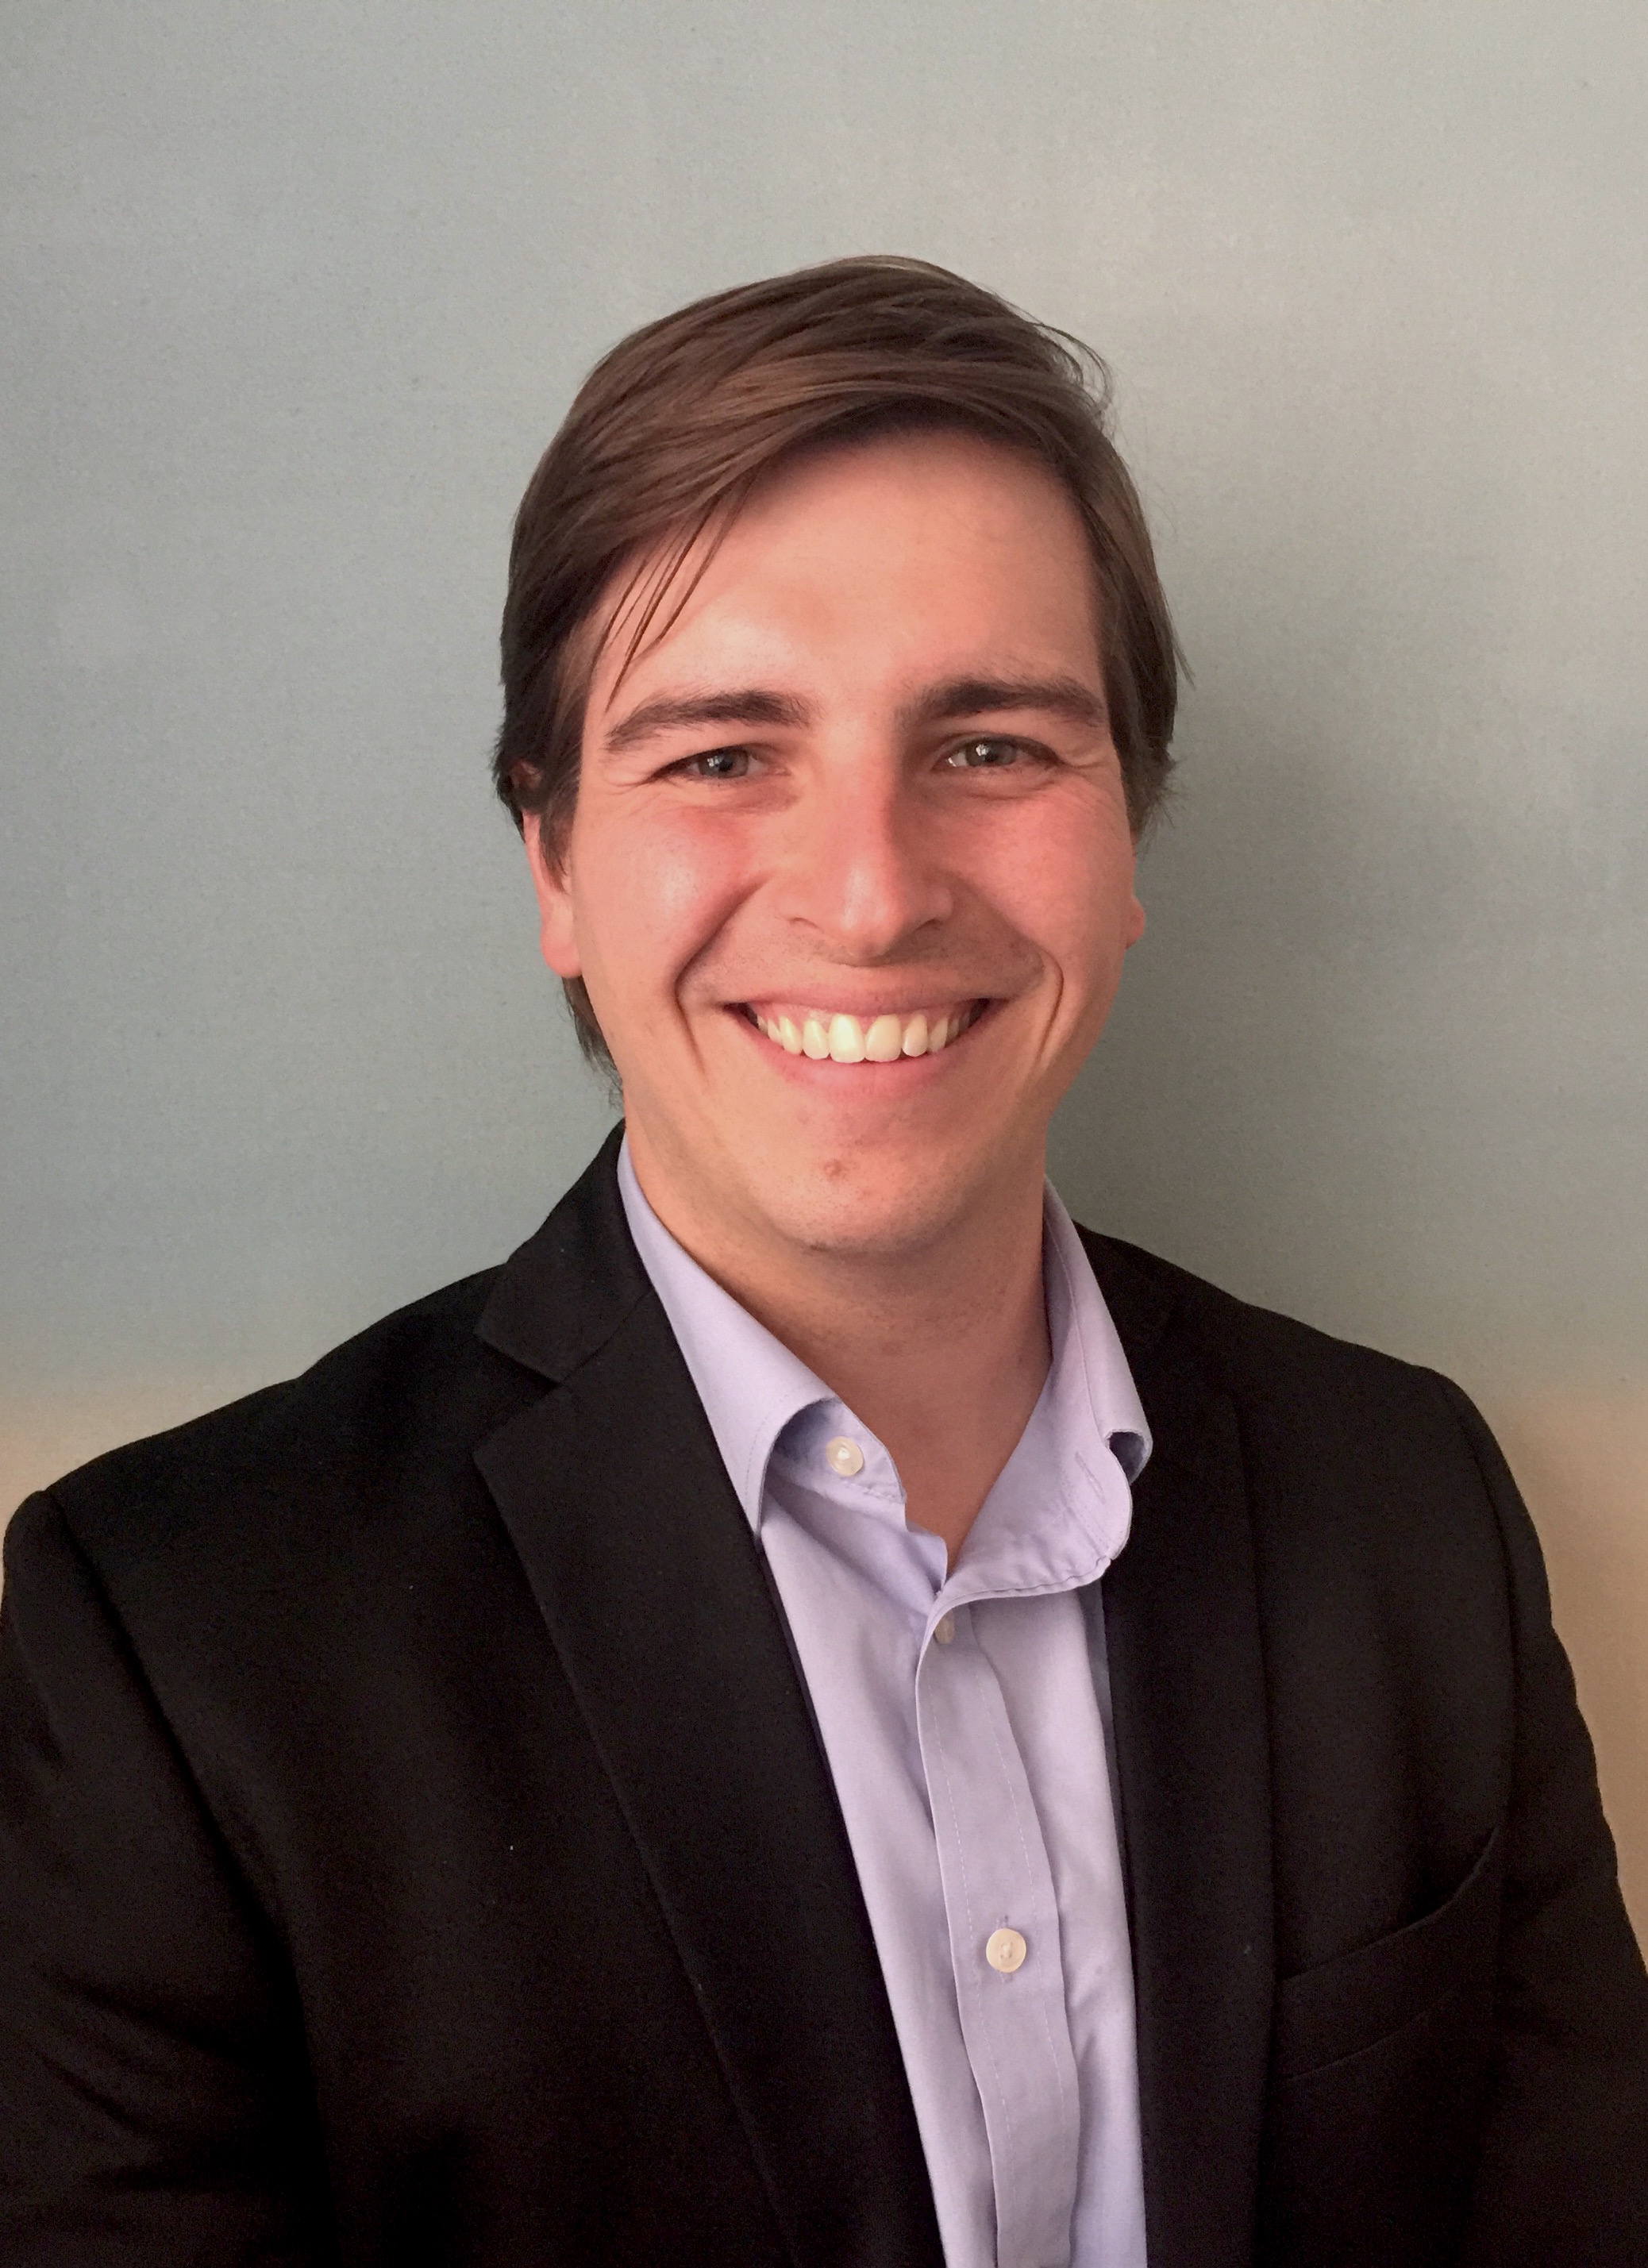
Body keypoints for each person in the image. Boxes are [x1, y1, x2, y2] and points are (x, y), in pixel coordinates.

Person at [2, 257, 1644, 2268]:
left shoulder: (1413, 1508)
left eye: (992, 747)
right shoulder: (179, 1648)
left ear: (1130, 835)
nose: (870, 895)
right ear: (552, 861)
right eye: (720, 754)